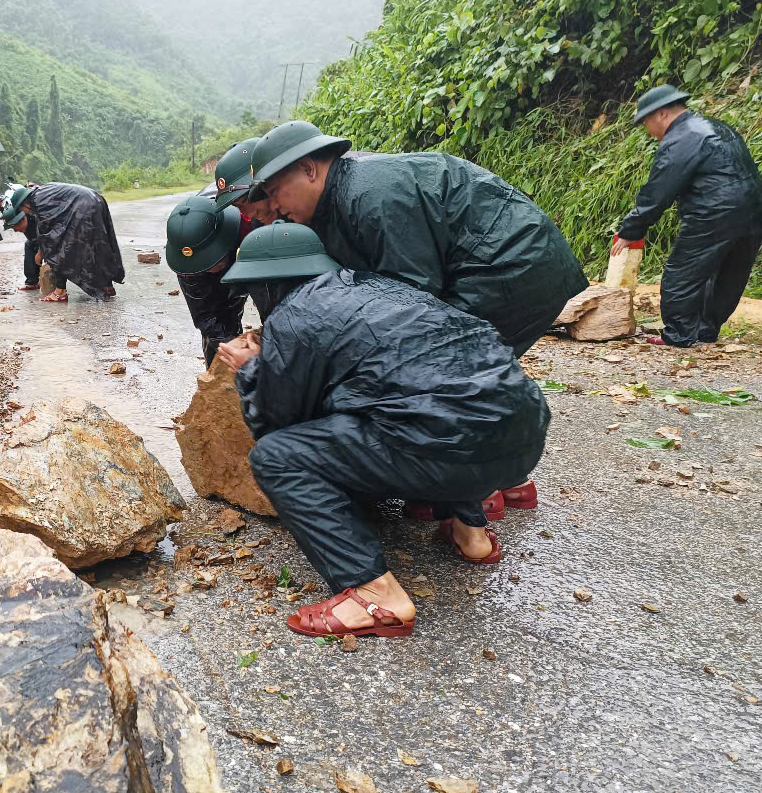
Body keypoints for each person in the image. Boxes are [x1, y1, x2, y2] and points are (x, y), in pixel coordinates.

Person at [215, 222, 549, 638]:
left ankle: (375, 593)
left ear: (266, 287)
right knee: (429, 411)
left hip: (452, 452)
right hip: (524, 437)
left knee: (276, 457)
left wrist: (253, 371)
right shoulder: (380, 287)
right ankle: (471, 533)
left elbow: (277, 424)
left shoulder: (294, 318)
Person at [248, 120, 588, 357]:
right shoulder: (336, 199)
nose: (273, 205)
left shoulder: (369, 196)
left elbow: (411, 296)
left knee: (443, 358)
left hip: (512, 263)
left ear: (309, 169)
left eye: (276, 191)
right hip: (489, 262)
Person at [614, 85, 762, 347]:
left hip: (713, 213)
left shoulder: (680, 139)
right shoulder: (717, 126)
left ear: (661, 114)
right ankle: (705, 330)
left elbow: (658, 193)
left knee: (682, 273)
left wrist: (630, 230)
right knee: (730, 274)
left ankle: (678, 334)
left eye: (646, 122)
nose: (648, 131)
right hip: (754, 210)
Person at [166, 197, 256, 366]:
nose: (208, 268)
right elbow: (204, 315)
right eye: (203, 266)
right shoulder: (185, 256)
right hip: (202, 261)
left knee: (233, 310)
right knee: (215, 332)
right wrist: (229, 348)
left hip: (238, 251)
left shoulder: (247, 226)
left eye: (213, 262)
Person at [3, 183, 125, 302]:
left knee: (59, 250)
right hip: (95, 199)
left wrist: (42, 252)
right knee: (98, 244)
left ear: (24, 203)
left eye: (21, 209)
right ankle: (107, 286)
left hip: (83, 206)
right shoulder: (41, 193)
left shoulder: (39, 203)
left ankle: (60, 292)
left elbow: (51, 238)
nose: (24, 212)